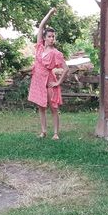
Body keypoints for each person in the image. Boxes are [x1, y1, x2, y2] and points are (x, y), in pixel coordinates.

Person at [28, 8, 69, 140]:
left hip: (49, 81)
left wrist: (58, 82)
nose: (52, 38)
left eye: (53, 36)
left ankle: (56, 133)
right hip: (38, 81)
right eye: (49, 36)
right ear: (44, 38)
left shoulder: (55, 53)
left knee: (54, 108)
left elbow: (66, 68)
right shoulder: (39, 47)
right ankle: (43, 131)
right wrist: (50, 13)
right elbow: (41, 26)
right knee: (41, 107)